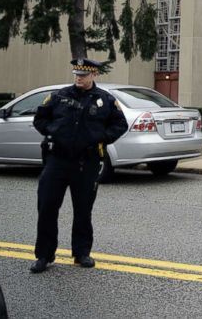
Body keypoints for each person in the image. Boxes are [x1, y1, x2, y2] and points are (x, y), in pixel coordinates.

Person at [29, 59, 128, 273]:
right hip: (57, 160)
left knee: (83, 209)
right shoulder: (59, 96)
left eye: (83, 75)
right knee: (47, 207)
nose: (79, 78)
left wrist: (100, 137)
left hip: (86, 162)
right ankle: (44, 255)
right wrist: (53, 131)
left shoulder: (105, 100)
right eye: (76, 74)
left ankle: (81, 253)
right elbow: (40, 118)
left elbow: (120, 124)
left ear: (94, 75)